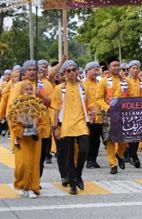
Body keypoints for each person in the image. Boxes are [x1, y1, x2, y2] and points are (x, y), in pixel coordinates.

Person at [52, 60, 90, 195]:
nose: (72, 72)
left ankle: (78, 174)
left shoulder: (84, 87)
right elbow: (55, 109)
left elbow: (88, 104)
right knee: (68, 156)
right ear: (64, 73)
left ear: (78, 71)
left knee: (84, 150)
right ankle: (73, 183)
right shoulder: (59, 89)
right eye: (68, 70)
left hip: (81, 124)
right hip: (66, 125)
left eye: (74, 69)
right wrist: (55, 127)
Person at [9, 82, 47, 199]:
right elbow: (13, 123)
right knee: (23, 163)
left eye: (31, 89)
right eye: (26, 89)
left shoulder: (38, 104)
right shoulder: (16, 104)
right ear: (21, 91)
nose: (29, 91)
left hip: (35, 139)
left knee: (34, 163)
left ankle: (32, 187)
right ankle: (21, 184)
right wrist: (23, 130)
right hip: (22, 139)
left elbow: (44, 121)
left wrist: (37, 129)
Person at [95, 56, 129, 174]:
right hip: (109, 114)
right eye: (114, 65)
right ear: (109, 68)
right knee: (110, 139)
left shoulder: (126, 81)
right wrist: (108, 108)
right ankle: (112, 164)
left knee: (124, 139)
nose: (116, 67)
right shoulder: (104, 81)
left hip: (123, 114)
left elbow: (131, 97)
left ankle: (119, 154)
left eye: (118, 65)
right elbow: (98, 99)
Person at [126, 59, 142, 168]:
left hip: (140, 112)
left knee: (138, 134)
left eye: (137, 68)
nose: (135, 70)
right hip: (128, 112)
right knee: (131, 134)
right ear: (129, 70)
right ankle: (133, 156)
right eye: (133, 68)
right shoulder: (125, 81)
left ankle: (132, 155)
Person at [83, 61, 103, 169]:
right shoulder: (82, 84)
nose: (96, 72)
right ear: (87, 71)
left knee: (96, 140)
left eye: (97, 70)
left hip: (99, 116)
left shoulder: (100, 84)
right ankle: (88, 160)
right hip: (87, 117)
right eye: (94, 70)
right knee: (88, 139)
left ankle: (93, 160)